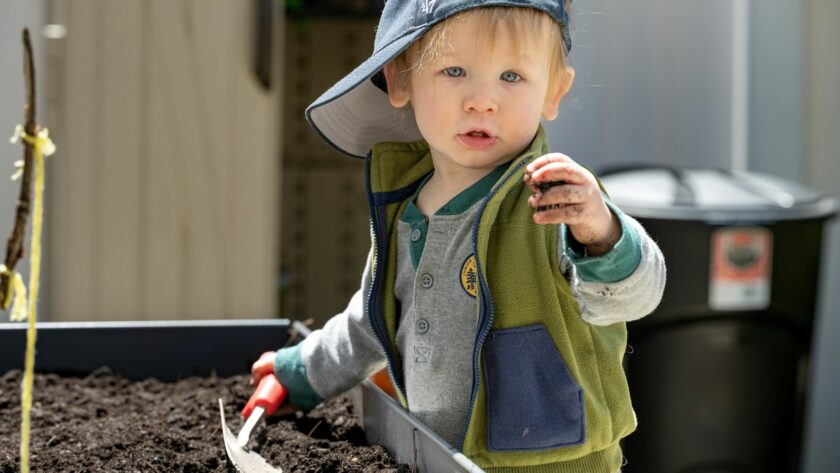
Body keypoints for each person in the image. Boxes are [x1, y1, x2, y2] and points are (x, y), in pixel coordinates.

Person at [251, 1, 666, 471]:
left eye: (512, 76)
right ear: (401, 78)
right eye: (454, 70)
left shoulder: (555, 201)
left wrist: (602, 234)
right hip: (435, 456)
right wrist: (301, 373)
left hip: (552, 462)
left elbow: (633, 297)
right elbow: (372, 321)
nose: (482, 100)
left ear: (554, 90)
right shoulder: (405, 211)